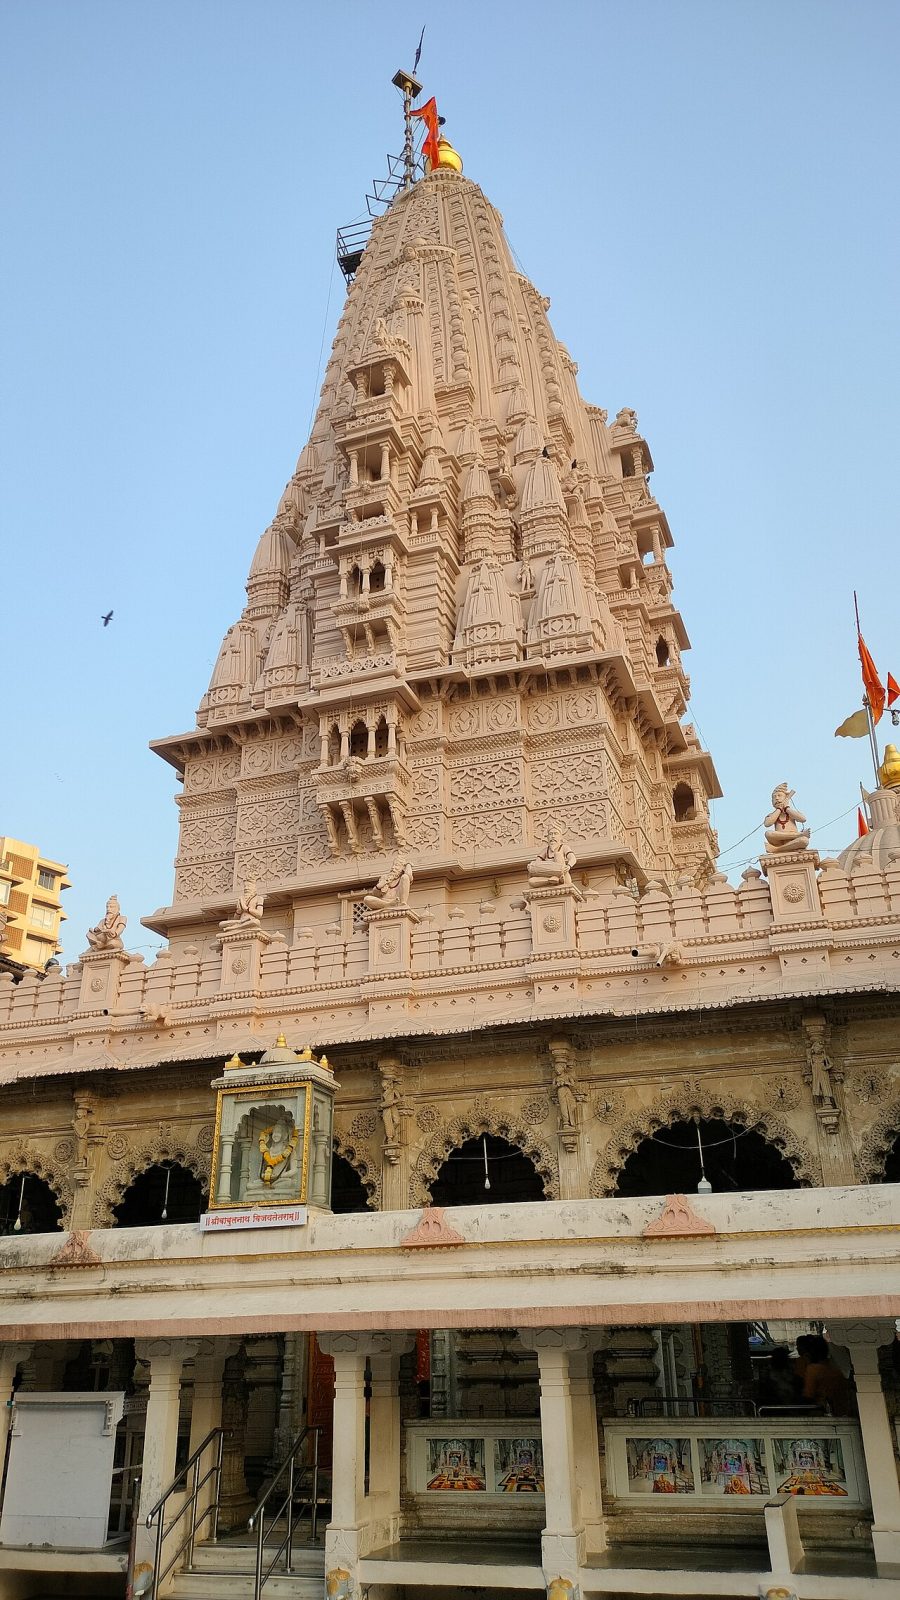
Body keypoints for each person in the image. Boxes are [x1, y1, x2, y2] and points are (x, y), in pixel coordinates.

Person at [797, 1333, 855, 1416]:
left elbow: (808, 1396)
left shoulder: (814, 1370)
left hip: (825, 1412)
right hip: (842, 1412)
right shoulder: (835, 1370)